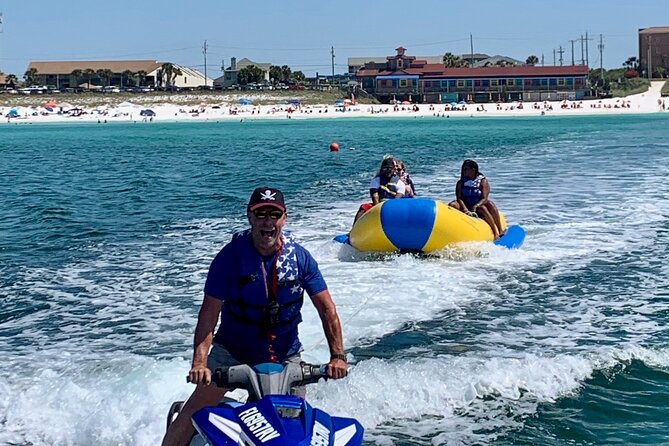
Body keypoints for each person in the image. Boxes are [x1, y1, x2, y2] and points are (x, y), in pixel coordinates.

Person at [162, 187, 348, 446]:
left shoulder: (300, 259)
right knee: (190, 416)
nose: (268, 222)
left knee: (293, 432)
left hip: (285, 358)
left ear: (284, 218)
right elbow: (208, 315)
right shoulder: (229, 259)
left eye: (274, 214)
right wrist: (199, 364)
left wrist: (337, 357)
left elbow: (327, 309)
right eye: (261, 215)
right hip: (232, 355)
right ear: (250, 217)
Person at [448, 160, 504, 239]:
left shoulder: (482, 181)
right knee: (452, 204)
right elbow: (459, 198)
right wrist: (465, 209)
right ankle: (450, 228)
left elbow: (485, 198)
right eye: (463, 169)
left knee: (485, 207)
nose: (463, 171)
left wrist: (475, 206)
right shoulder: (461, 182)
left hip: (478, 205)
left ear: (473, 170)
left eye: (466, 169)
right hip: (465, 205)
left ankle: (496, 231)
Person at [353, 156, 406, 223]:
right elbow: (375, 196)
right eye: (386, 169)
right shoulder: (376, 181)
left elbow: (397, 200)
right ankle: (354, 230)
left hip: (394, 206)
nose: (388, 171)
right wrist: (378, 211)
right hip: (379, 205)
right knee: (363, 207)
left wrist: (389, 211)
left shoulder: (400, 184)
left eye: (390, 169)